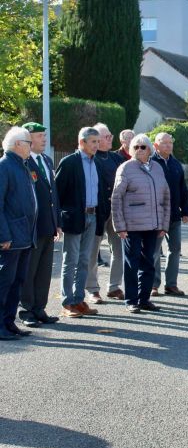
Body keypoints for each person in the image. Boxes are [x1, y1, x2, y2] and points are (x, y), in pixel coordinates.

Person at [111, 134, 170, 314]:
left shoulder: (157, 168)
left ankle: (144, 299)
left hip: (153, 226)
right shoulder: (125, 168)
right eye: (135, 147)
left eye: (142, 147)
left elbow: (166, 197)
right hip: (131, 226)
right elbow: (116, 198)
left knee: (149, 263)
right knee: (131, 263)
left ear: (150, 149)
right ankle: (131, 300)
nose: (138, 150)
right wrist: (120, 226)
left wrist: (164, 225)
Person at [56, 127, 108, 318]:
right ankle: (67, 302)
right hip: (74, 218)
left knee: (85, 260)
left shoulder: (97, 163)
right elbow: (58, 193)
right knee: (70, 261)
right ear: (82, 142)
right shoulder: (69, 162)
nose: (97, 145)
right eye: (93, 141)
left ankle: (78, 300)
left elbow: (101, 192)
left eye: (98, 141)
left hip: (93, 217)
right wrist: (59, 219)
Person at [19, 122, 61, 327]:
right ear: (28, 138)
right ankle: (26, 309)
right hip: (33, 226)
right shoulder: (24, 162)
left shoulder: (46, 159)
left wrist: (57, 222)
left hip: (48, 225)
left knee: (44, 270)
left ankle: (39, 308)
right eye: (39, 136)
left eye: (44, 135)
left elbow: (54, 193)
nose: (44, 139)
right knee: (29, 270)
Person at [0, 127, 37, 339]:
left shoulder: (22, 166)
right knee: (4, 282)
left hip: (24, 236)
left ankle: (8, 322)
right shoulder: (4, 166)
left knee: (17, 282)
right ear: (17, 144)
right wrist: (3, 236)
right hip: (10, 238)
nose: (31, 146)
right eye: (28, 142)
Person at [85, 123, 125, 304]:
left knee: (119, 250)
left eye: (111, 136)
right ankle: (92, 289)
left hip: (116, 211)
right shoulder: (90, 160)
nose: (111, 139)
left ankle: (114, 286)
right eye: (107, 136)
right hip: (97, 212)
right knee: (92, 251)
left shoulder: (116, 159)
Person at [151, 132, 188, 296]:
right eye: (164, 143)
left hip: (174, 215)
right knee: (155, 251)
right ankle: (153, 284)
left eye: (170, 142)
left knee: (175, 249)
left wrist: (185, 211)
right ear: (156, 145)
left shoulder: (176, 164)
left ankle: (171, 284)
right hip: (157, 216)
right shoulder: (150, 163)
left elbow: (183, 189)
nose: (168, 145)